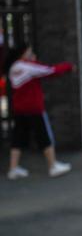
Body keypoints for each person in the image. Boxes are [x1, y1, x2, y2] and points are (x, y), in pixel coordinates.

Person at [5, 43, 73, 180]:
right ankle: (52, 166)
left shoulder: (13, 68)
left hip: (19, 109)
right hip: (34, 108)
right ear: (23, 53)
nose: (31, 53)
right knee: (44, 136)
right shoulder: (28, 66)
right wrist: (68, 66)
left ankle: (13, 168)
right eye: (29, 51)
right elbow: (49, 70)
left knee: (17, 138)